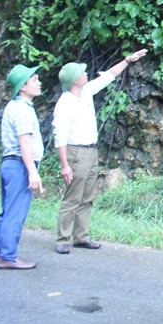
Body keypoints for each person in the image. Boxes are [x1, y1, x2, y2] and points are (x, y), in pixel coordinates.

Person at [52, 48, 147, 255]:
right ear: (75, 80)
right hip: (76, 153)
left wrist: (127, 61)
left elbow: (109, 76)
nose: (87, 74)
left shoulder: (85, 92)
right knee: (73, 197)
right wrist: (64, 165)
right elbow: (60, 137)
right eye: (82, 73)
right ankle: (62, 238)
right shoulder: (65, 103)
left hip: (91, 151)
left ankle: (81, 237)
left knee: (87, 196)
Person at [0, 64, 45, 270]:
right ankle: (8, 256)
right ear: (23, 87)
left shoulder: (13, 106)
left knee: (7, 211)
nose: (39, 83)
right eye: (34, 80)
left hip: (10, 164)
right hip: (19, 165)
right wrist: (32, 172)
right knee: (16, 212)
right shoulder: (23, 109)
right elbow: (24, 142)